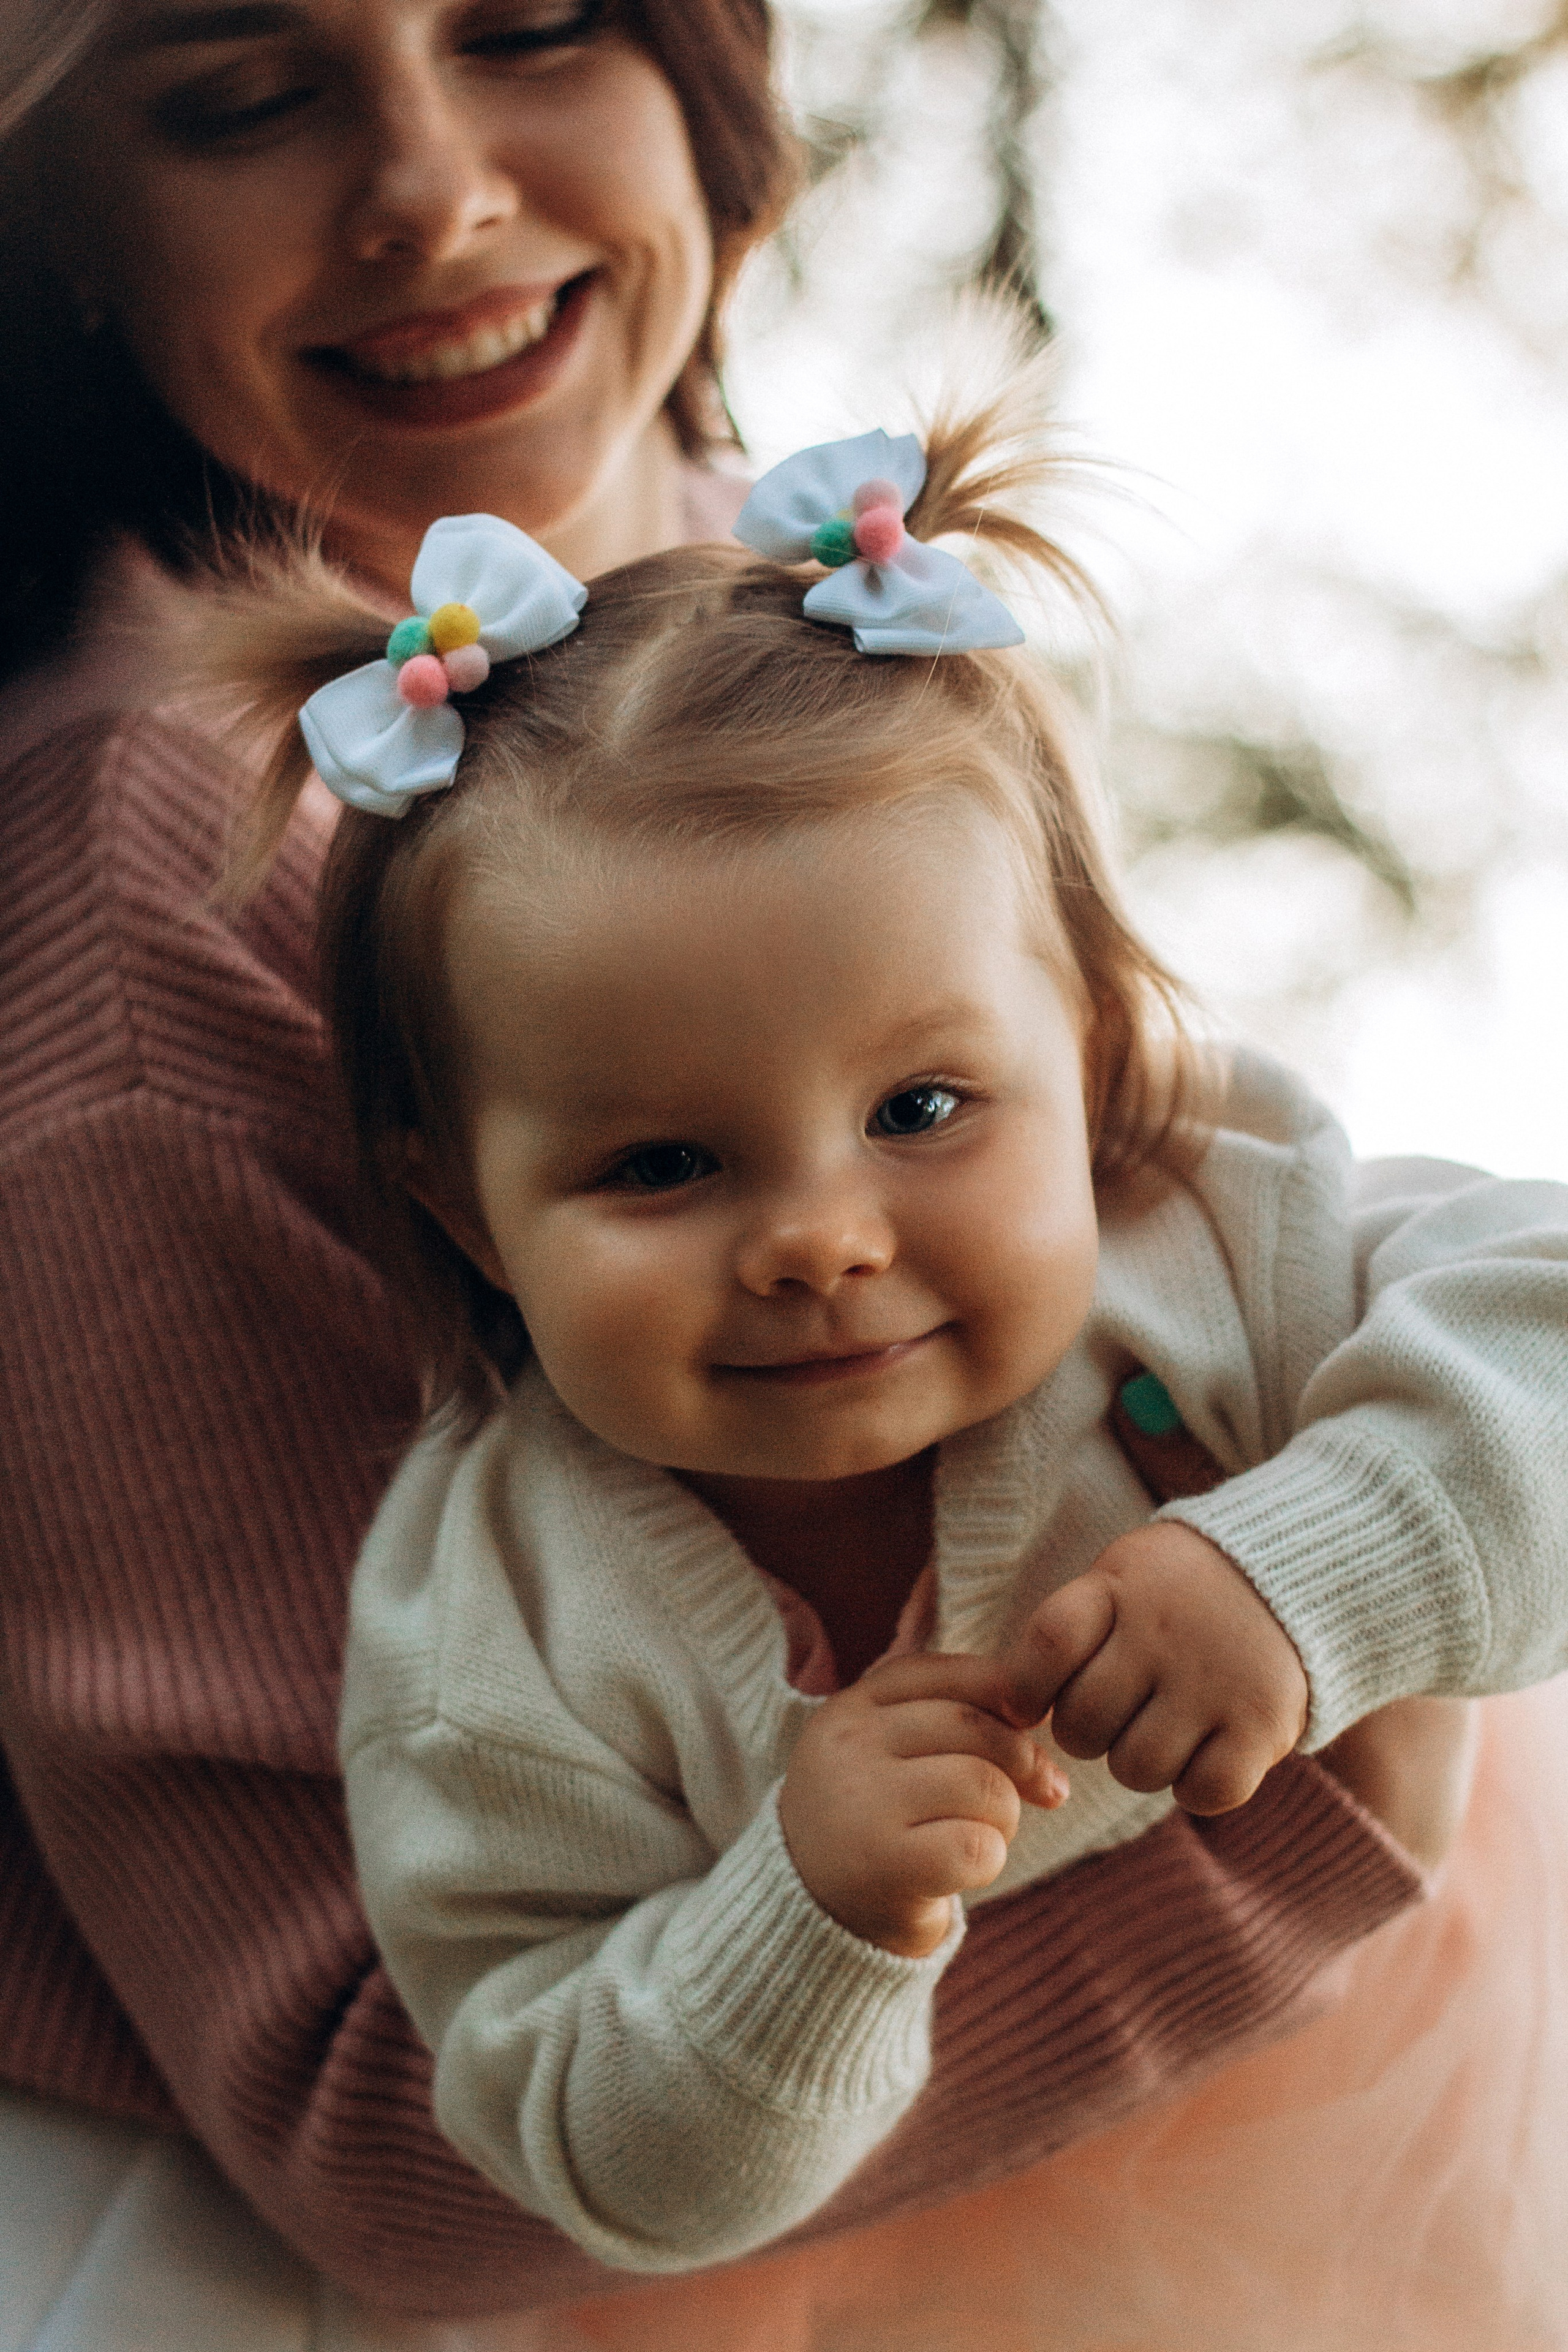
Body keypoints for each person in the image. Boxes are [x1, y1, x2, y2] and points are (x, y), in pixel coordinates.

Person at [0, 0, 1512, 2339]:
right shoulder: (147, 923)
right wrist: (1316, 1838)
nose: (433, 189)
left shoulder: (809, 619)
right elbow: (389, 2122)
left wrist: (1343, 1574)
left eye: (523, 26)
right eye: (240, 94)